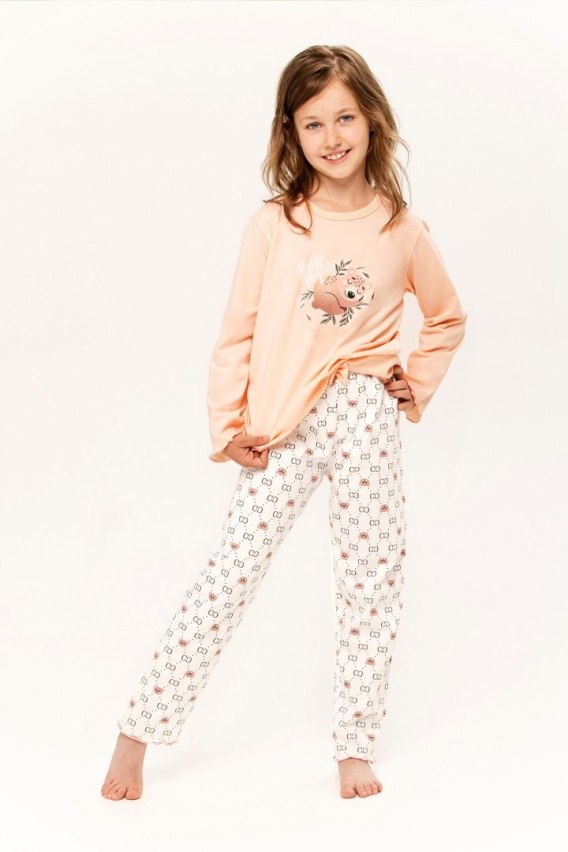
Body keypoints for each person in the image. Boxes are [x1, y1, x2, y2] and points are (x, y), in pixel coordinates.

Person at [101, 44, 467, 802]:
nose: (332, 137)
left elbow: (447, 316)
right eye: (313, 124)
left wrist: (414, 380)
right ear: (291, 133)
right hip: (282, 425)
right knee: (231, 573)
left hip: (364, 413)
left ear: (372, 120)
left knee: (371, 577)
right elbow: (236, 330)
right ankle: (137, 732)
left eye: (345, 118)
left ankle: (356, 746)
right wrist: (226, 423)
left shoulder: (401, 227)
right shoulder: (275, 224)